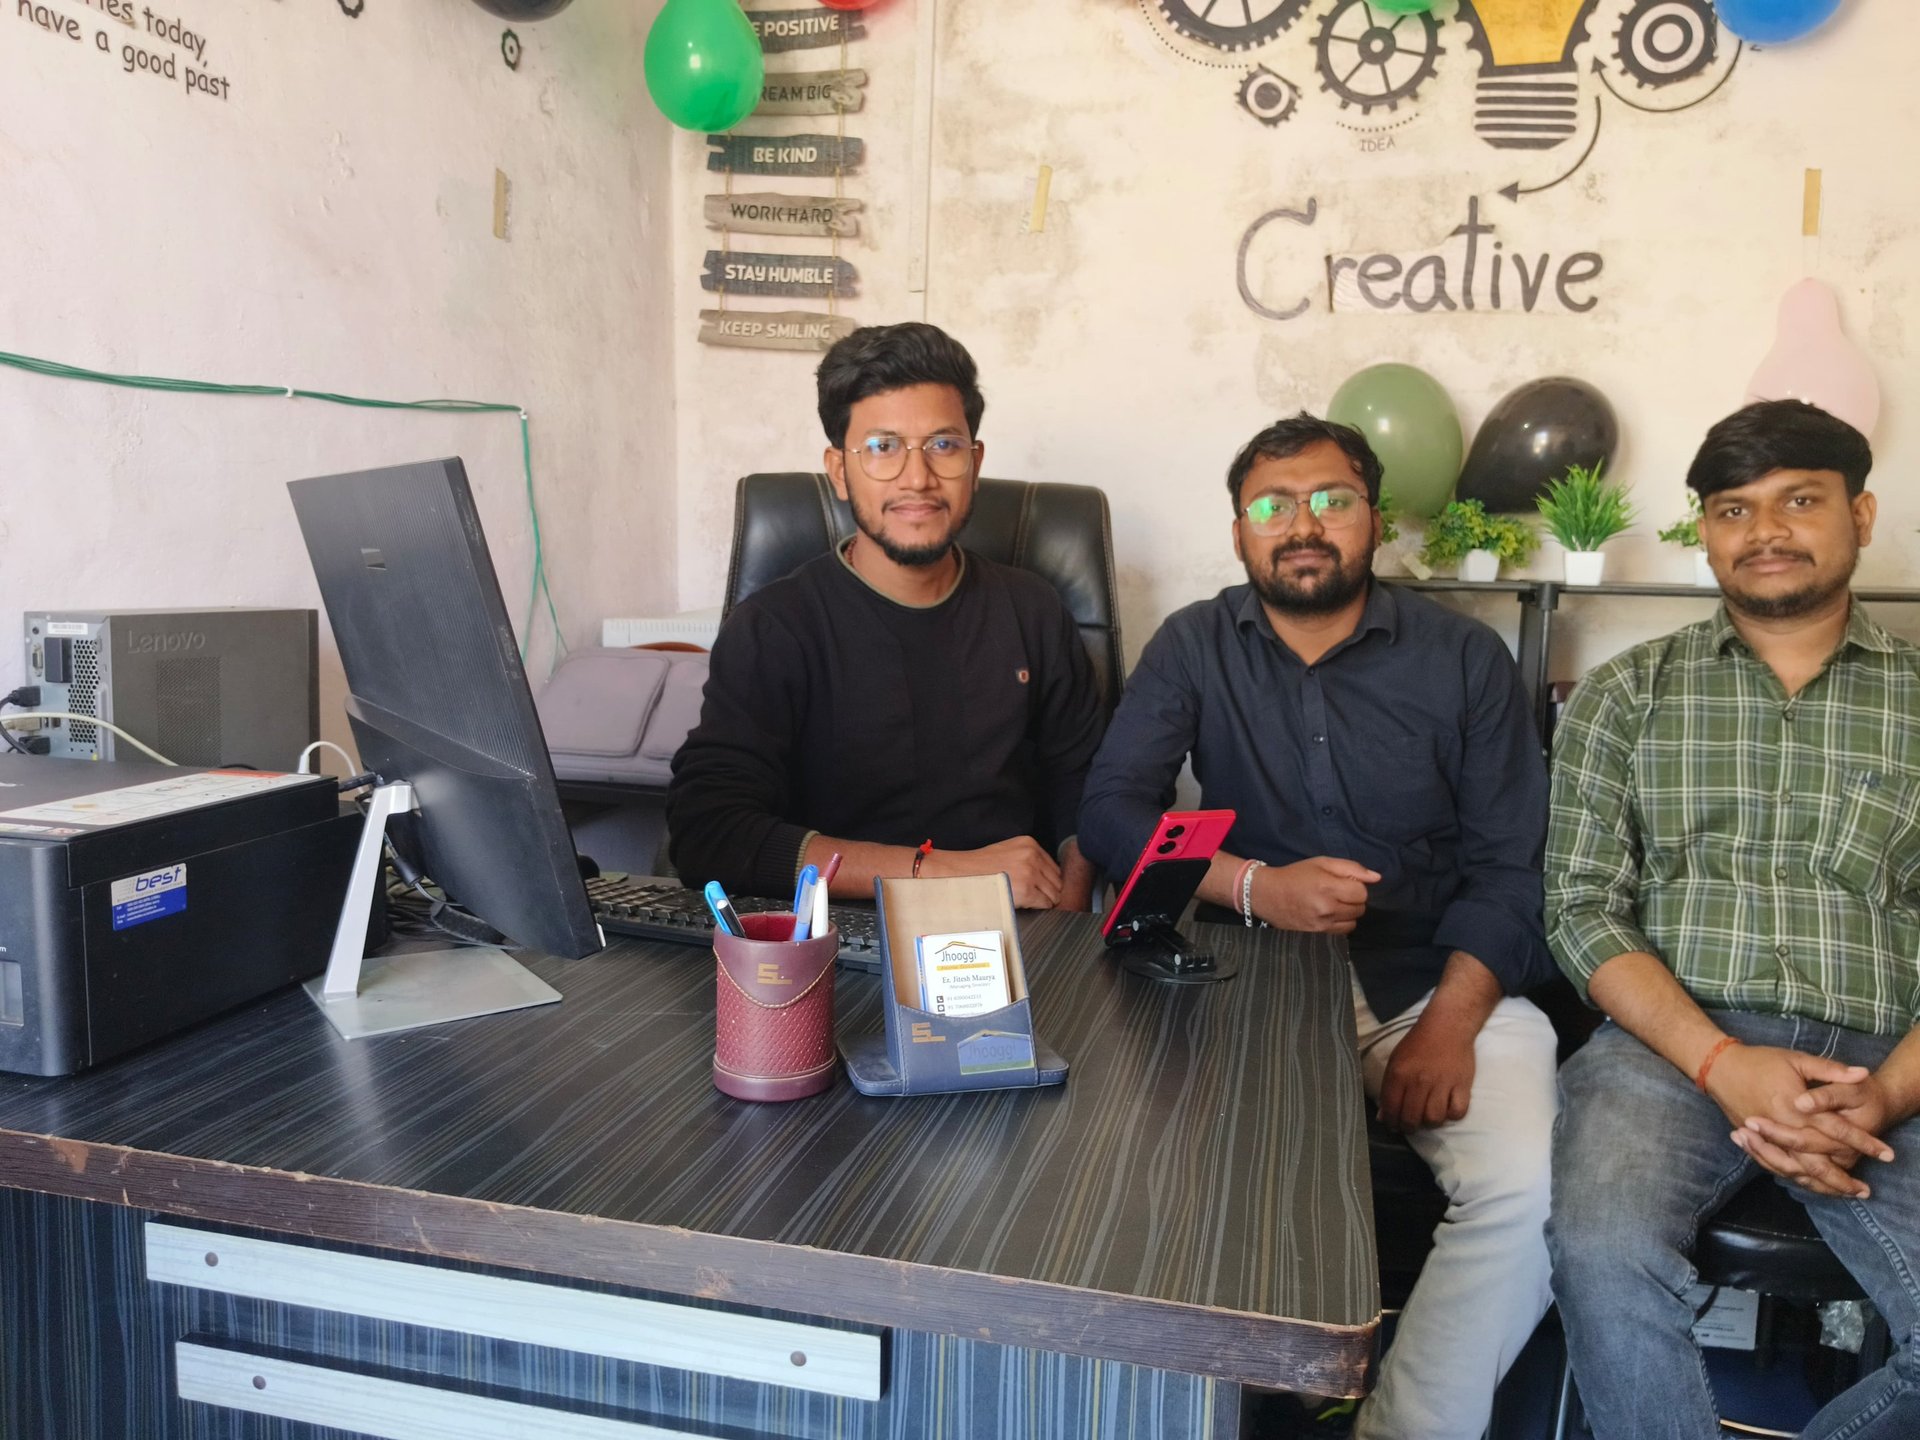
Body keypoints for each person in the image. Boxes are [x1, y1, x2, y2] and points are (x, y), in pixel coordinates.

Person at [1079, 412, 1558, 1440]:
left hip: (1435, 978)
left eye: (1332, 500)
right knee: (1173, 1171)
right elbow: (1114, 813)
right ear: (1240, 530)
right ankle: (1239, 1400)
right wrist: (1257, 886)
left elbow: (1514, 863)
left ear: (1375, 519)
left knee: (1530, 1187)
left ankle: (1405, 1425)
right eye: (1273, 505)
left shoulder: (1466, 658)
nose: (1304, 524)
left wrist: (1449, 1025)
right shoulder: (1197, 644)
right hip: (1249, 982)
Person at [1546, 399, 1920, 1439]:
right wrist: (1721, 1061)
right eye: (1732, 509)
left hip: (1887, 1066)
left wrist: (1887, 1091)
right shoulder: (1627, 696)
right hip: (1671, 1049)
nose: (1765, 531)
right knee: (1603, 1253)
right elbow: (1579, 910)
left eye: (1800, 500)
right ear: (1706, 531)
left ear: (1863, 514)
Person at [668, 321, 1104, 909]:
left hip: (1014, 938)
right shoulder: (776, 627)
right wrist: (944, 874)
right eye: (882, 447)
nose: (917, 478)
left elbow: (1087, 791)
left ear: (974, 462)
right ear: (839, 470)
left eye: (944, 446)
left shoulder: (1032, 609)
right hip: (838, 946)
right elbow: (709, 833)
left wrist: (1068, 929)